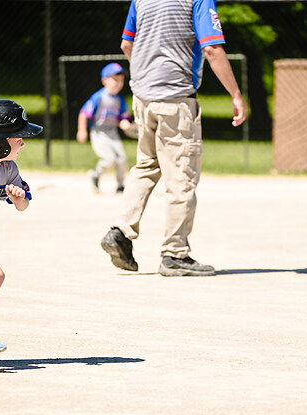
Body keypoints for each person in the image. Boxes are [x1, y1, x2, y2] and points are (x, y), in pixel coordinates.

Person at [101, 0, 247, 276]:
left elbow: (126, 45)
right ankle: (174, 253)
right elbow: (212, 48)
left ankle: (120, 230)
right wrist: (236, 95)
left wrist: (147, 77)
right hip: (176, 99)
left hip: (143, 98)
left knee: (146, 166)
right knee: (181, 176)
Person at [0, 99, 43, 354]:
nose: (23, 142)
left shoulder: (8, 169)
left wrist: (17, 198)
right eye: (17, 137)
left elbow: (23, 207)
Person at [76, 62, 137, 194]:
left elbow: (122, 118)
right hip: (99, 133)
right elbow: (83, 113)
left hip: (112, 133)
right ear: (104, 80)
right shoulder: (99, 97)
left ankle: (120, 186)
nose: (118, 83)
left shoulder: (120, 100)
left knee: (122, 159)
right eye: (114, 79)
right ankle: (95, 175)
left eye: (121, 80)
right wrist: (82, 130)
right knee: (109, 159)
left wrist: (126, 124)